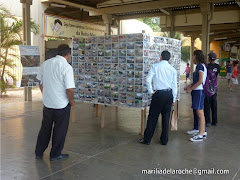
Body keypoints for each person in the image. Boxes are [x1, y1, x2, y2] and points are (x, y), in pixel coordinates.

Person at [35, 44, 75, 161]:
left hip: (48, 103)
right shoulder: (67, 67)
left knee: (45, 128)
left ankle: (39, 152)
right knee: (60, 130)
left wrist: (45, 94)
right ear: (67, 55)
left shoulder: (46, 63)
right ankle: (55, 154)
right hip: (61, 105)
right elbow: (69, 89)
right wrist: (71, 101)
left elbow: (40, 81)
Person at [139, 51, 177, 145]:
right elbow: (174, 85)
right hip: (169, 94)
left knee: (152, 117)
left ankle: (147, 139)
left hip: (158, 94)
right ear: (169, 58)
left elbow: (148, 80)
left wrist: (151, 91)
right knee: (166, 118)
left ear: (160, 57)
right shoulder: (173, 69)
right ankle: (164, 140)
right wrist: (174, 98)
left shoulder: (155, 66)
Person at [185, 50, 207, 142]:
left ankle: (201, 135)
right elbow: (196, 80)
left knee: (200, 113)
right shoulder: (198, 66)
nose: (192, 58)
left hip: (199, 92)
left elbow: (200, 81)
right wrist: (189, 86)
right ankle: (201, 131)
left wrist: (191, 88)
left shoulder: (201, 66)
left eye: (193, 55)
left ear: (196, 56)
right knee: (198, 112)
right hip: (196, 91)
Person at [204, 53, 220, 127]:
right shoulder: (218, 66)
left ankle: (208, 122)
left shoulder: (206, 66)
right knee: (214, 105)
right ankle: (215, 121)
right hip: (215, 87)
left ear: (209, 59)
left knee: (207, 105)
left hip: (207, 88)